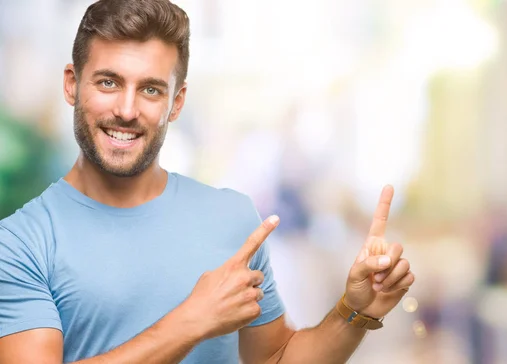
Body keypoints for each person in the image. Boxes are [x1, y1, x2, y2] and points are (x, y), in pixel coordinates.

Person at [0, 0, 415, 363]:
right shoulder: (21, 243)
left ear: (176, 103)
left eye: (150, 90)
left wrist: (356, 312)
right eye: (108, 82)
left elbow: (273, 360)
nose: (126, 110)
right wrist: (190, 322)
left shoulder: (231, 217)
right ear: (72, 84)